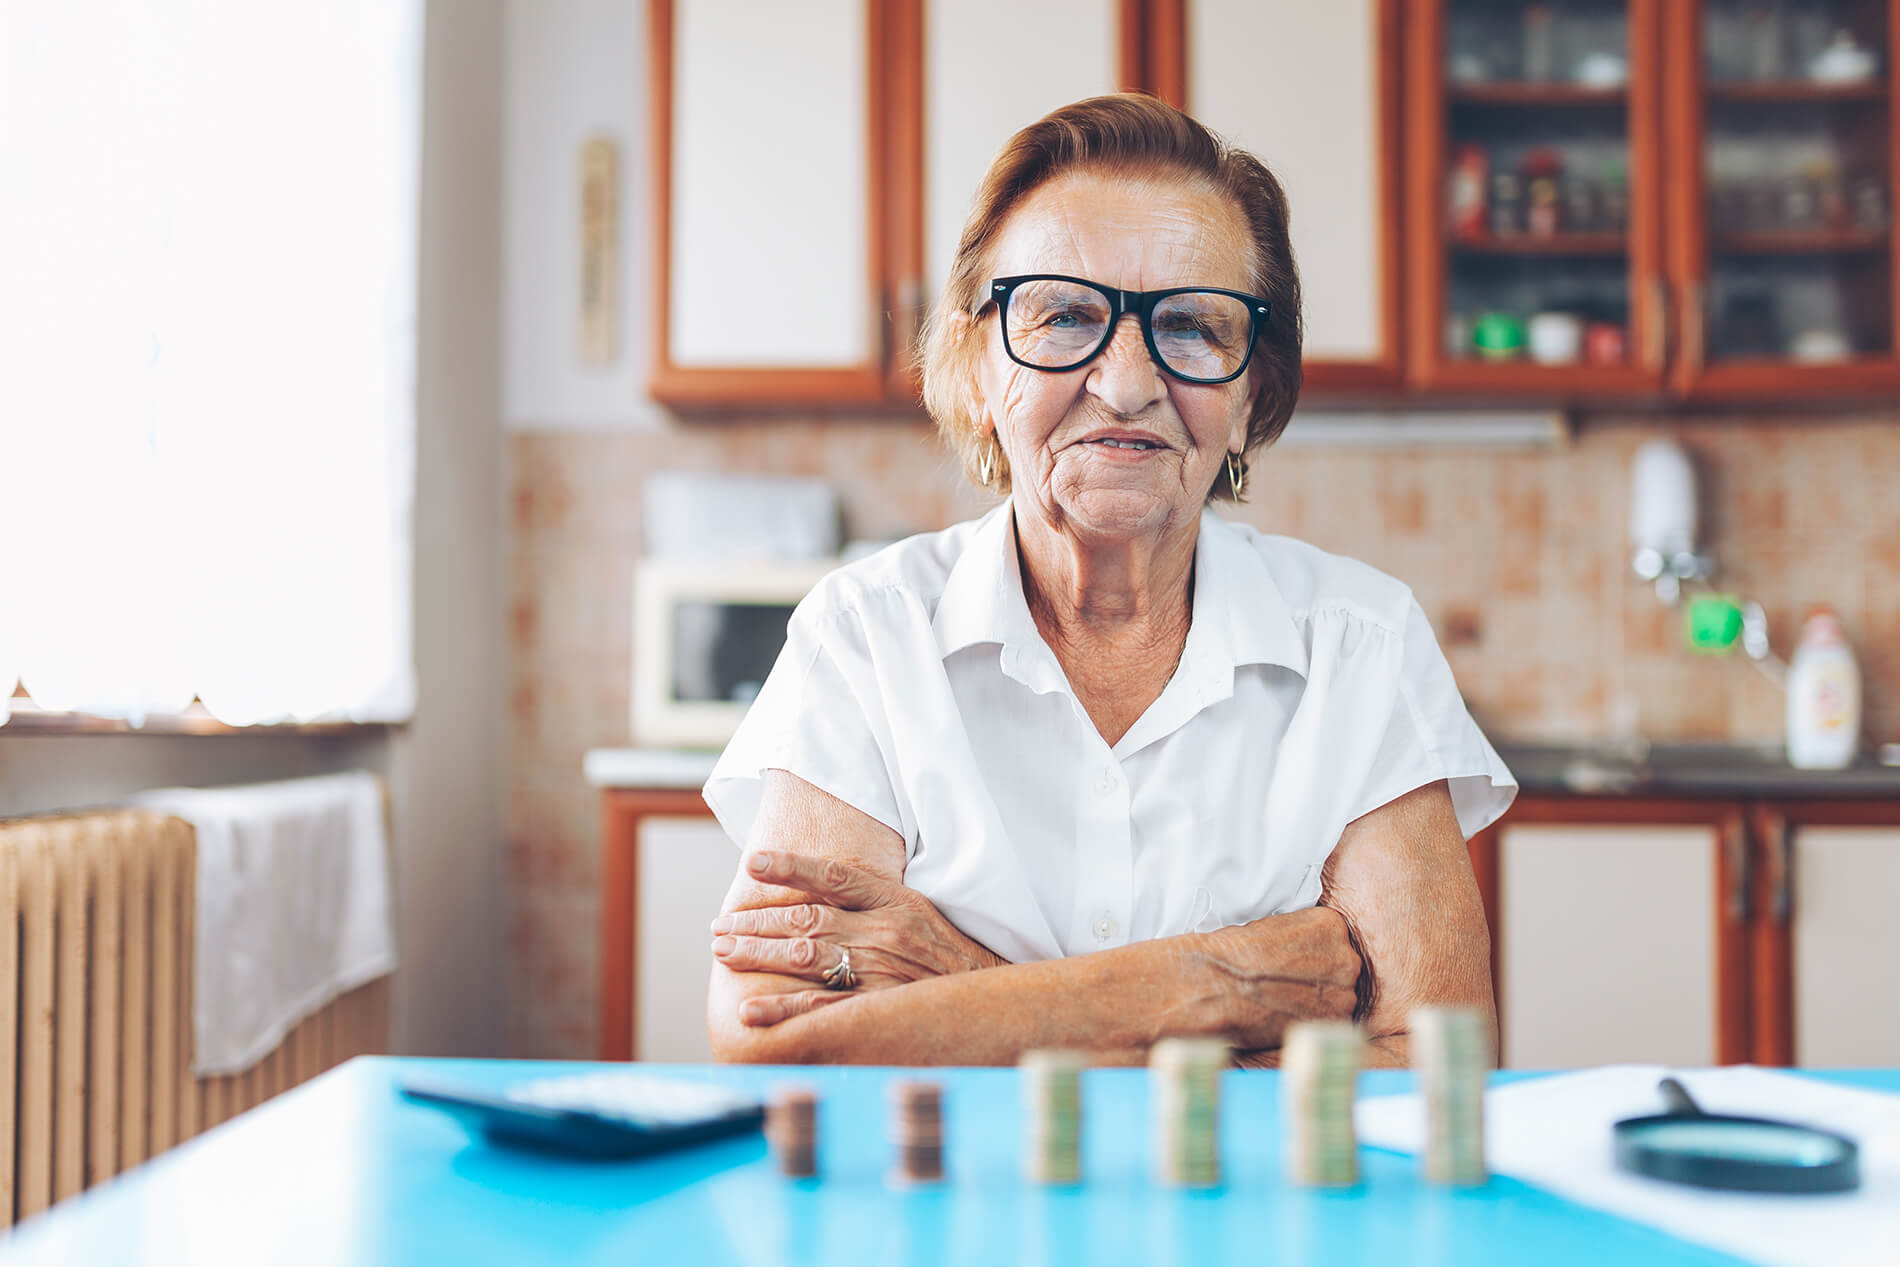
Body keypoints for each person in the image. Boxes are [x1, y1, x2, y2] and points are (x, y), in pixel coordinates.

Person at [702, 94, 1516, 1066]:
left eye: (1194, 327)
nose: (1126, 383)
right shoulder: (867, 632)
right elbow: (780, 1041)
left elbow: (1432, 1068)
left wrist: (952, 986)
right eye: (1063, 315)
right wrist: (1223, 985)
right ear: (972, 365)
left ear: (1253, 386)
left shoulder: (1359, 641)